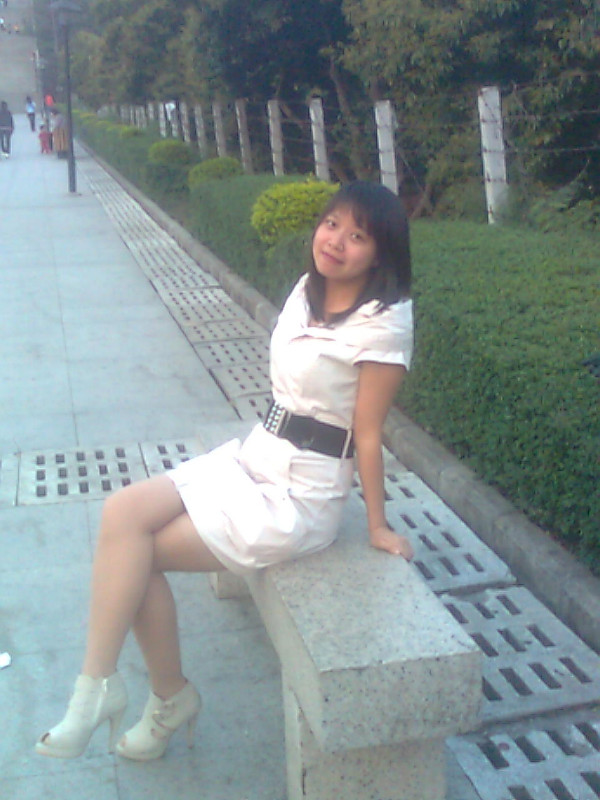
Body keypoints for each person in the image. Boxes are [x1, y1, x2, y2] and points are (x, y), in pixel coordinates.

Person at [35, 181, 415, 762]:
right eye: (331, 223)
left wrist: (377, 526)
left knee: (138, 554)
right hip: (255, 456)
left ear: (381, 253)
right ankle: (102, 688)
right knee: (122, 513)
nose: (336, 241)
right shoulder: (307, 290)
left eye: (357, 235)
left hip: (301, 496)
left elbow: (368, 434)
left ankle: (156, 699)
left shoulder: (384, 324)